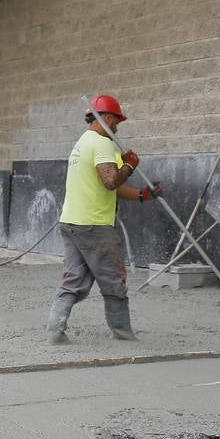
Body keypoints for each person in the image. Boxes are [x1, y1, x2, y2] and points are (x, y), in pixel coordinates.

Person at [46, 94, 161, 345]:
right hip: (94, 225)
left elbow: (112, 186)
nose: (118, 126)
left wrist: (143, 195)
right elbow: (111, 181)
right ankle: (122, 331)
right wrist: (130, 165)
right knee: (113, 277)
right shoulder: (102, 143)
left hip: (72, 222)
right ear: (107, 117)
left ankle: (55, 329)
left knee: (74, 277)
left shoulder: (83, 142)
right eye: (117, 120)